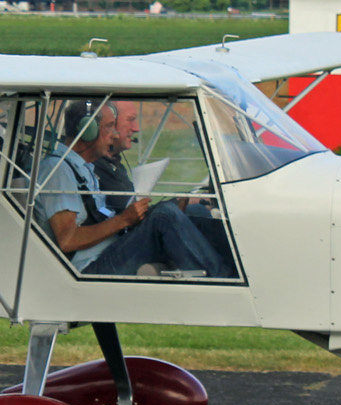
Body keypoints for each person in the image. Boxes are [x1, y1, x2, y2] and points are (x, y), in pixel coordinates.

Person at [38, 100, 231, 278]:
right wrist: (123, 220)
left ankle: (237, 268)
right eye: (108, 127)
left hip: (112, 247)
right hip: (90, 267)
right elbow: (67, 240)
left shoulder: (84, 167)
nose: (114, 135)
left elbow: (101, 215)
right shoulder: (59, 170)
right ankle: (223, 281)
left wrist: (134, 218)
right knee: (165, 215)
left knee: (193, 211)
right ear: (88, 131)